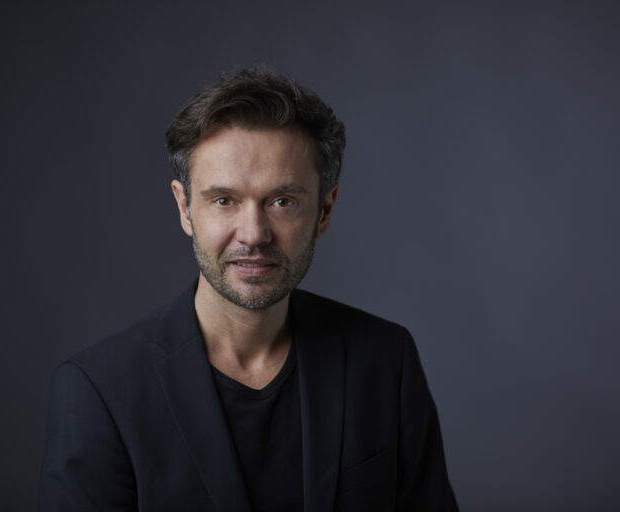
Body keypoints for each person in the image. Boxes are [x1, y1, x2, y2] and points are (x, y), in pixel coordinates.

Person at [39, 66, 458, 511]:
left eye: (282, 201)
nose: (254, 233)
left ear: (325, 210)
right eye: (224, 200)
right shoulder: (98, 392)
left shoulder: (386, 362)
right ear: (185, 208)